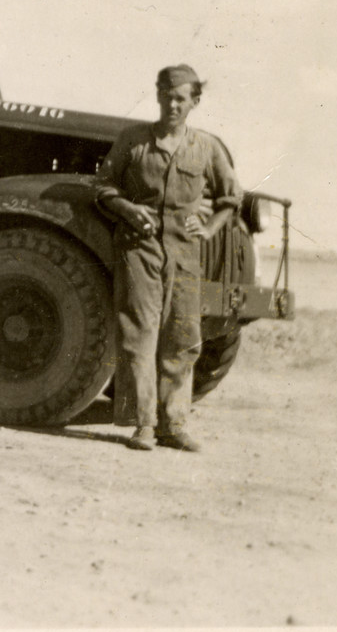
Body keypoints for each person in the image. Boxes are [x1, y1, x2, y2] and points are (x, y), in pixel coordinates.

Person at [90, 64, 242, 453]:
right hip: (138, 248)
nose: (173, 104)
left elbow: (230, 199)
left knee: (182, 337)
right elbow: (103, 186)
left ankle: (174, 424)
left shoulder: (206, 147)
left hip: (185, 252)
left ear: (194, 102)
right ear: (158, 96)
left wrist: (207, 229)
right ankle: (143, 424)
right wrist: (126, 208)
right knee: (139, 332)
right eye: (167, 96)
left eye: (181, 98)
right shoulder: (133, 140)